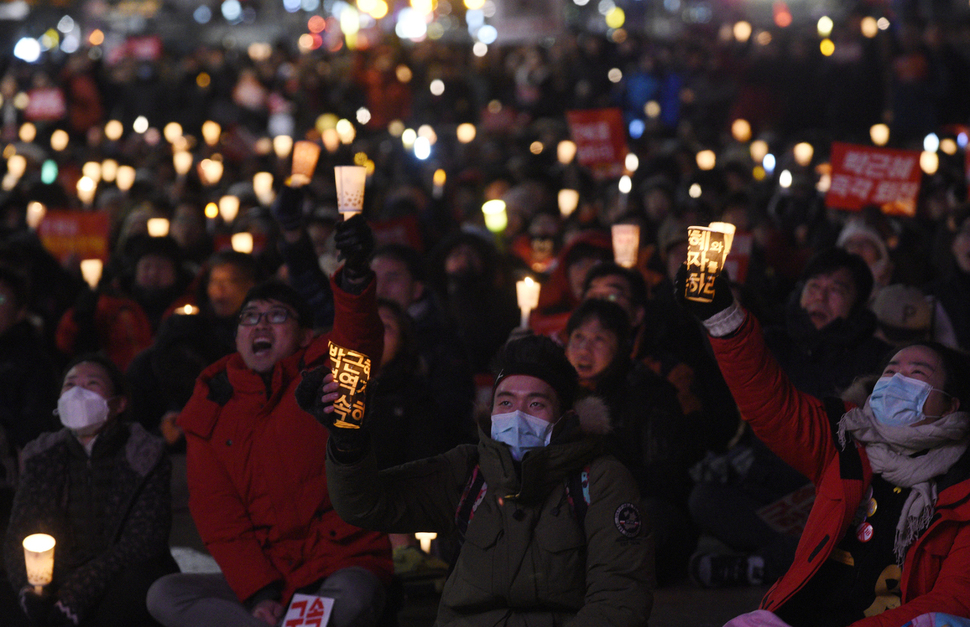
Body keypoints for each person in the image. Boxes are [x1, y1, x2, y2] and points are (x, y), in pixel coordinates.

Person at [676, 265, 970, 627]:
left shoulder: (962, 486)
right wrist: (724, 320)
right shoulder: (847, 436)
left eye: (917, 375)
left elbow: (954, 599)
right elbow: (771, 404)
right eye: (891, 372)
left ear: (952, 404)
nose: (897, 382)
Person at [146, 215, 394, 627]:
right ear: (238, 336)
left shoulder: (325, 372)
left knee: (353, 597)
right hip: (265, 577)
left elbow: (359, 339)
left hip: (338, 562)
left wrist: (353, 279)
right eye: (250, 317)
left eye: (278, 316)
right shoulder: (211, 403)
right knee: (166, 594)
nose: (261, 323)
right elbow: (219, 515)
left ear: (303, 336)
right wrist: (259, 593)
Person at [315, 334, 655, 626]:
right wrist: (349, 440)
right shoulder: (468, 469)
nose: (517, 415)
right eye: (506, 401)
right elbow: (366, 504)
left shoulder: (598, 479)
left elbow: (618, 597)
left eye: (536, 403)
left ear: (566, 418)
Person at [4, 353, 177, 627]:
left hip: (116, 575)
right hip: (59, 571)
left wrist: (81, 588)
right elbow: (20, 532)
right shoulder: (42, 455)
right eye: (70, 385)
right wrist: (29, 589)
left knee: (140, 585)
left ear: (118, 404)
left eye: (92, 384)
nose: (78, 393)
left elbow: (144, 541)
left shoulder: (144, 456)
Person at [563, 298, 693, 585]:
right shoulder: (556, 392)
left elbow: (667, 478)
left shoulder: (649, 393)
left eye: (599, 339)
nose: (584, 349)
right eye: (578, 337)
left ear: (622, 345)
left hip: (627, 502)